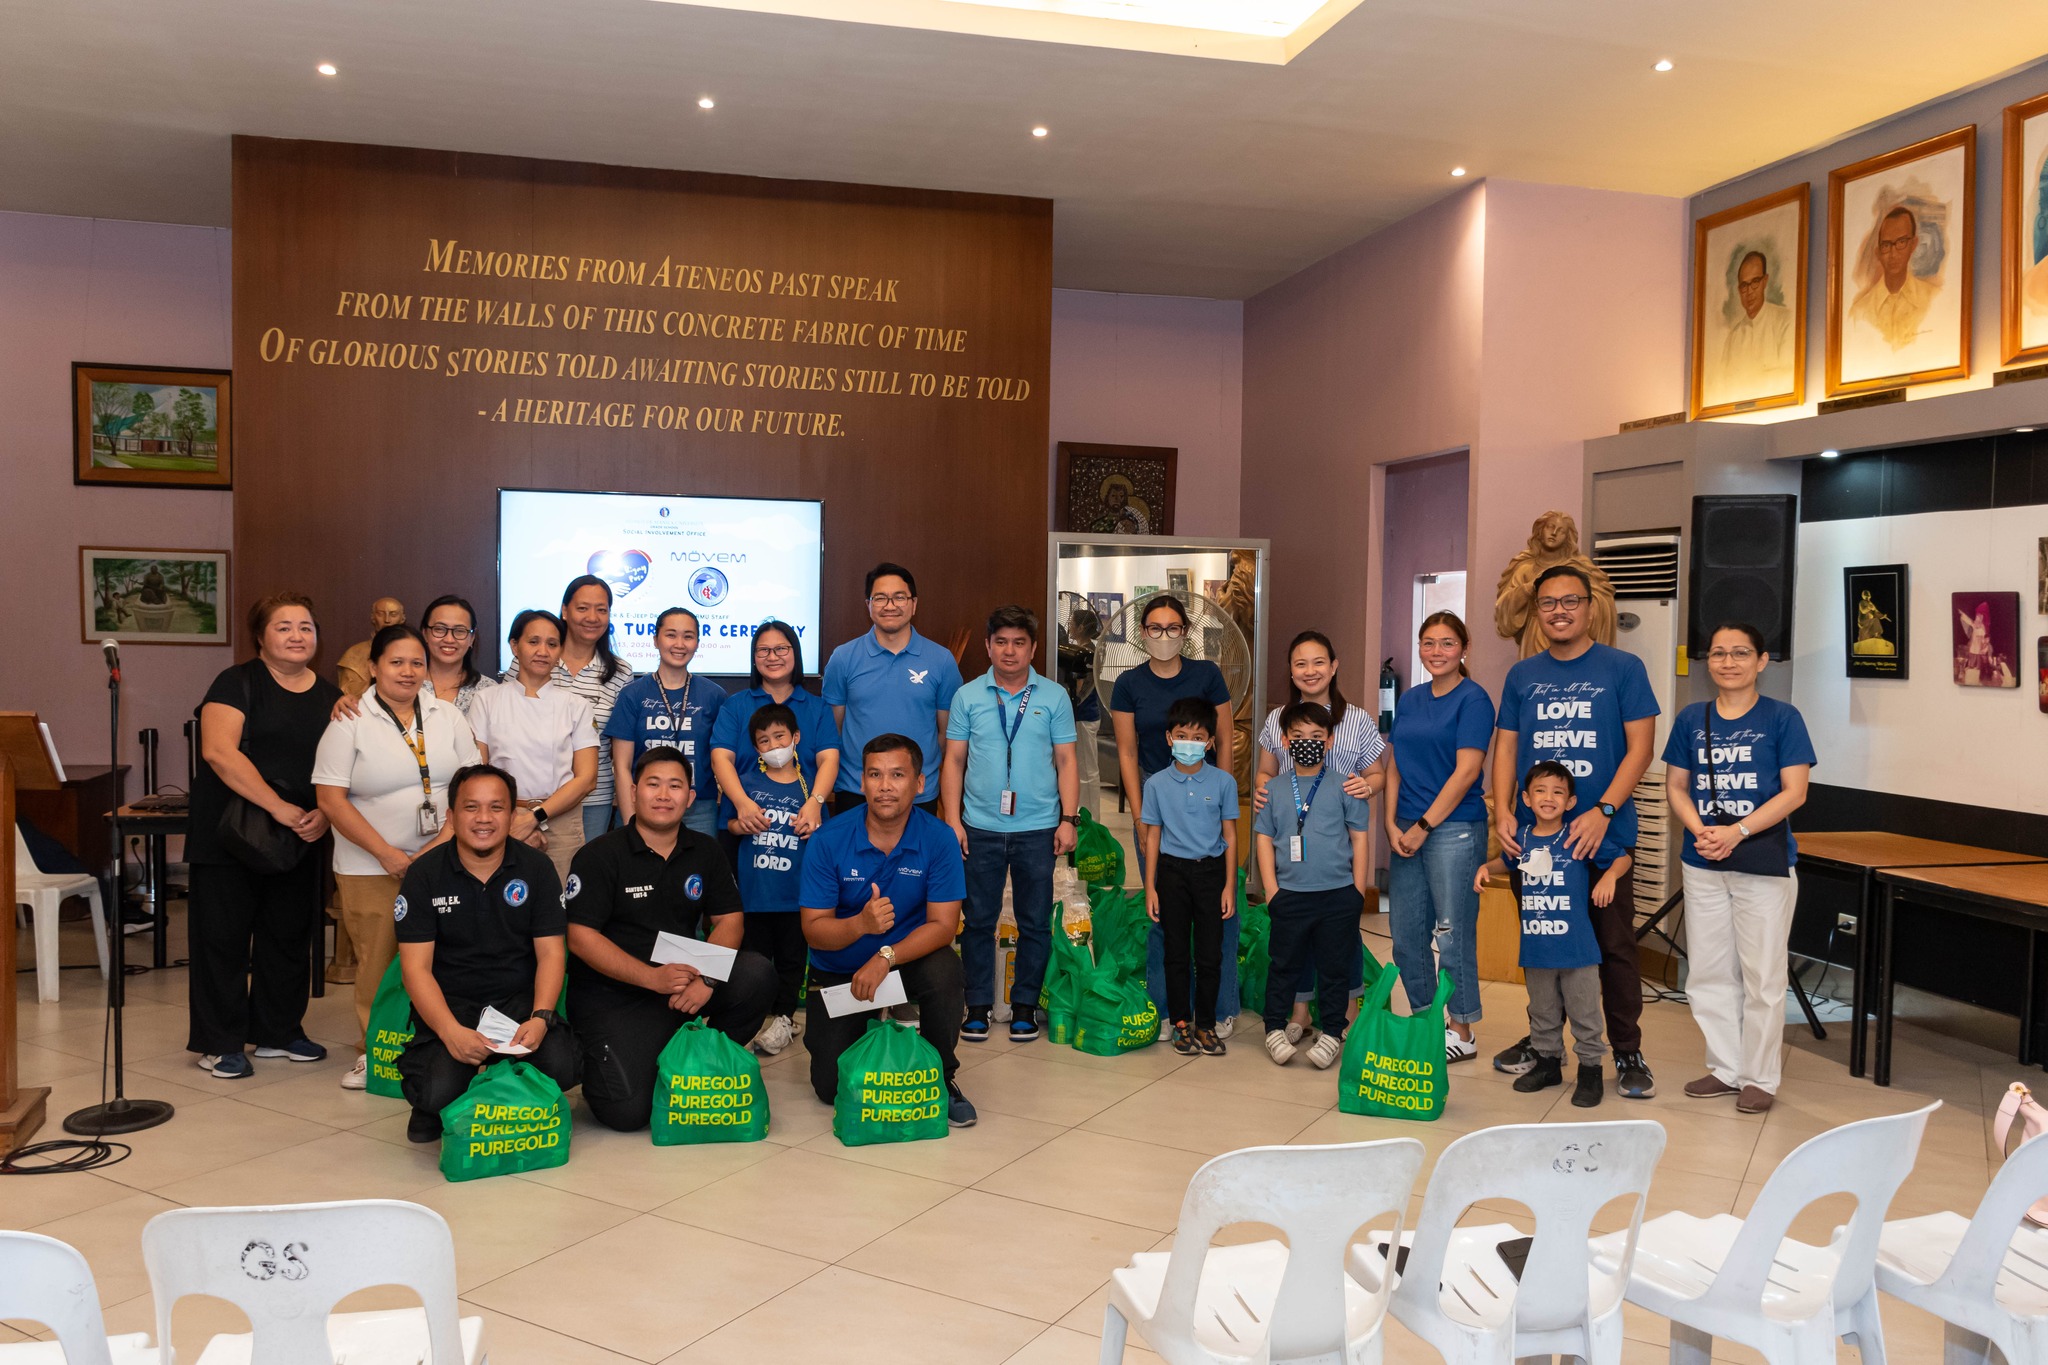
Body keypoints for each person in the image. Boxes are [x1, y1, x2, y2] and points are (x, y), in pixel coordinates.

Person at [1492, 563, 1659, 1098]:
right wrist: (1503, 812)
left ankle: (1626, 1050)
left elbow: (1641, 748)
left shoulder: (1623, 668)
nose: (1559, 611)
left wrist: (1603, 810)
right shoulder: (1522, 676)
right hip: (1537, 841)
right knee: (1545, 943)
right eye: (1548, 602)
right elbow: (1506, 747)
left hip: (1601, 839)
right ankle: (1546, 1045)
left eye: (1570, 601)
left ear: (1590, 607)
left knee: (1614, 949)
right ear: (1536, 612)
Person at [564, 745, 776, 1132]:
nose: (664, 795)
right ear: (633, 792)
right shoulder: (599, 855)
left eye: (675, 786)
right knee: (628, 1114)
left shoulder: (706, 851)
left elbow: (730, 919)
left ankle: (700, 1063)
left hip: (683, 986)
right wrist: (650, 978)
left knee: (756, 973)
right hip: (616, 996)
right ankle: (610, 1060)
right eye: (653, 784)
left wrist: (708, 978)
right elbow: (579, 937)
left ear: (690, 798)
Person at [314, 623, 481, 1091]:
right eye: (396, 662)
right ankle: (375, 1052)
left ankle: (445, 1045)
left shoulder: (446, 715)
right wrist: (387, 854)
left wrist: (440, 844)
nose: (408, 671)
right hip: (370, 865)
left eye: (416, 663)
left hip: (445, 858)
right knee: (379, 960)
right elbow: (330, 800)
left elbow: (471, 785)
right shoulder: (349, 719)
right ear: (373, 667)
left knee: (447, 956)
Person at [186, 593, 343, 1079]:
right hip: (230, 834)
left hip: (298, 836)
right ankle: (220, 1042)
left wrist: (323, 813)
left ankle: (278, 1031)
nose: (297, 636)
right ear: (260, 636)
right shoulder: (235, 682)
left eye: (306, 627)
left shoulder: (331, 696)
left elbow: (342, 765)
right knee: (222, 940)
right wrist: (278, 807)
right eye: (284, 627)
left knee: (288, 936)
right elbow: (218, 752)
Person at [1663, 622, 1816, 1114]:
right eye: (1719, 653)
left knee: (1762, 976)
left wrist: (1737, 831)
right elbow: (1676, 787)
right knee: (1708, 972)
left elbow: (1795, 792)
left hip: (1762, 862)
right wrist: (1702, 831)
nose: (1728, 662)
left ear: (1761, 660)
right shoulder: (1692, 718)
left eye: (1740, 653)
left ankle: (1760, 1077)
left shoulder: (1782, 718)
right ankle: (1725, 1068)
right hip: (1703, 861)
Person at [393, 763, 581, 1143]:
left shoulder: (537, 869)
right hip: (453, 1004)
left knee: (565, 1066)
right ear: (451, 816)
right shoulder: (424, 874)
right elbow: (415, 969)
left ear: (512, 816)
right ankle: (448, 1094)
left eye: (496, 808)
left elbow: (551, 954)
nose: (484, 818)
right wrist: (449, 1032)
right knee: (434, 1092)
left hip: (518, 1003)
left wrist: (541, 1017)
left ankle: (504, 1080)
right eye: (471, 807)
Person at [799, 734, 976, 1127]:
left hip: (902, 963)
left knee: (945, 970)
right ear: (861, 782)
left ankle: (941, 1076)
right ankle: (872, 1019)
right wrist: (860, 925)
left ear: (919, 783)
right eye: (874, 775)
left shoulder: (939, 839)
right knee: (830, 1086)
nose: (884, 786)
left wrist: (885, 957)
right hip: (842, 970)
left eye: (897, 775)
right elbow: (813, 931)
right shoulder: (828, 840)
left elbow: (944, 926)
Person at [940, 605, 1079, 1044]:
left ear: (1033, 648)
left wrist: (1069, 819)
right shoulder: (967, 696)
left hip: (1038, 827)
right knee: (978, 921)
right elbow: (954, 761)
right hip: (978, 827)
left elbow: (1066, 761)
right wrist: (951, 820)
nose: (1010, 651)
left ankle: (1024, 1007)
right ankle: (978, 1006)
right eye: (1001, 642)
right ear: (988, 646)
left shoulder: (1054, 697)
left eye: (1019, 642)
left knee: (1034, 922)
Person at [1111, 594, 1240, 1032]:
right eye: (1154, 628)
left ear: (1185, 632)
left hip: (1207, 796)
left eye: (1172, 628)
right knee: (1163, 914)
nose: (1163, 636)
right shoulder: (1128, 683)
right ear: (1142, 633)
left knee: (1219, 914)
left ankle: (1219, 1008)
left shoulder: (1207, 675)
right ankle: (1167, 1009)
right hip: (1157, 797)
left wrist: (1221, 799)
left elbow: (1225, 739)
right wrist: (1139, 817)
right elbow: (1127, 752)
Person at [1251, 630, 1387, 1039]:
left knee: (1339, 941)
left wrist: (1367, 786)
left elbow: (1378, 774)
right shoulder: (1278, 719)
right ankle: (1300, 1013)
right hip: (1293, 850)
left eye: (1318, 662)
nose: (1309, 671)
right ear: (1291, 671)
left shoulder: (1357, 719)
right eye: (1300, 664)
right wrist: (1265, 794)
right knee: (1296, 940)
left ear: (1334, 666)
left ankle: (1344, 1014)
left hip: (1337, 847)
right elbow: (1266, 771)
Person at [1474, 761, 1627, 1108]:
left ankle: (1590, 1071)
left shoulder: (1577, 836)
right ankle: (1548, 1064)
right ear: (1526, 799)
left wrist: (1609, 877)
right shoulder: (1522, 837)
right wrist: (1486, 867)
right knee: (1542, 1011)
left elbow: (1621, 859)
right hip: (1537, 949)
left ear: (1570, 802)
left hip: (1577, 950)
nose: (1548, 798)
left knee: (1585, 1014)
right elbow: (1507, 863)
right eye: (1540, 791)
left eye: (1558, 792)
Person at [1383, 612, 1494, 1064]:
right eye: (1428, 642)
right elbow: (1394, 764)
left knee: (1451, 933)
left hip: (1453, 829)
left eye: (1447, 643)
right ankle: (1428, 1021)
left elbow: (1467, 772)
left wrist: (1423, 826)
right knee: (1406, 934)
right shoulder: (1410, 699)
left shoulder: (1474, 700)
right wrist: (1390, 822)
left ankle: (1462, 1028)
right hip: (1406, 828)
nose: (1436, 651)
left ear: (1464, 648)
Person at [1252, 702, 1371, 1069]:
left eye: (1317, 736)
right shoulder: (1272, 789)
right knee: (1284, 964)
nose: (1308, 742)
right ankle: (1274, 1028)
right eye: (1299, 736)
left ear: (1330, 741)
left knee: (1335, 968)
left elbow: (1359, 838)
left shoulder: (1346, 785)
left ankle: (1333, 1032)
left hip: (1338, 895)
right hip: (1290, 895)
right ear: (1286, 742)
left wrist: (1358, 891)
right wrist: (1271, 890)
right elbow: (1263, 838)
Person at [1140, 697, 1238, 1057]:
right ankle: (1181, 1023)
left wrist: (1230, 885)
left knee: (1210, 954)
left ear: (1210, 742)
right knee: (1176, 952)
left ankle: (1206, 1025)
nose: (1189, 743)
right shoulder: (1156, 784)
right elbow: (1153, 837)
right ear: (1169, 737)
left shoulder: (1224, 782)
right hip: (1172, 873)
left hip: (1211, 873)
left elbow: (1230, 835)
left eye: (1198, 738)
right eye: (1182, 735)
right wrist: (1150, 887)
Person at [822, 563, 962, 815]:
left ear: (914, 604)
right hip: (856, 791)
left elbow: (946, 734)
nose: (890, 605)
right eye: (880, 598)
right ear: (868, 604)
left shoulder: (941, 660)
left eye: (899, 597)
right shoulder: (843, 658)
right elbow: (834, 729)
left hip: (918, 793)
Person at [470, 610, 599, 881]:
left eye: (552, 644)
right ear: (514, 646)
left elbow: (587, 779)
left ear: (560, 651)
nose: (543, 651)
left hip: (562, 819)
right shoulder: (487, 700)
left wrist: (534, 817)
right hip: (502, 818)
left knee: (559, 899)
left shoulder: (576, 706)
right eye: (533, 642)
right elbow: (478, 771)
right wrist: (513, 818)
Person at [710, 619, 841, 841]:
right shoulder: (735, 706)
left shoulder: (817, 708)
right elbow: (721, 759)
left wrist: (815, 802)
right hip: (743, 824)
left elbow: (829, 760)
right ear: (754, 658)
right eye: (763, 650)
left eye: (781, 649)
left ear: (795, 653)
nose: (772, 657)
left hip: (804, 824)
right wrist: (742, 803)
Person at [731, 704, 813, 1055]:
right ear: (756, 748)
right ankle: (751, 1019)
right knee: (755, 960)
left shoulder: (810, 788)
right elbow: (728, 825)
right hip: (755, 895)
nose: (774, 745)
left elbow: (824, 833)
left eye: (780, 737)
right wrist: (741, 824)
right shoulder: (746, 783)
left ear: (796, 737)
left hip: (796, 895)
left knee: (792, 960)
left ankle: (784, 1018)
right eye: (764, 740)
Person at [605, 606, 726, 838]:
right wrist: (631, 823)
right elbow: (621, 766)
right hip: (643, 804)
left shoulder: (714, 695)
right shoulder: (632, 694)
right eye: (671, 635)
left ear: (697, 643)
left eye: (688, 636)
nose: (679, 644)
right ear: (655, 640)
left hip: (698, 808)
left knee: (697, 863)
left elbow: (722, 759)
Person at [533, 574, 635, 839]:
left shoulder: (621, 672)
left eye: (601, 610)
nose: (592, 617)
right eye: (582, 608)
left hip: (594, 799)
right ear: (565, 611)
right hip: (533, 796)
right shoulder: (535, 659)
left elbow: (619, 747)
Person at [1849, 205, 1938, 351]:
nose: (1893, 253)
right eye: (1886, 245)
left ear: (1913, 244)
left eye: (1901, 242)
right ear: (1878, 253)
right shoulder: (1860, 311)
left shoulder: (1933, 298)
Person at [1717, 249, 1795, 393]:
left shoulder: (1785, 321)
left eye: (1755, 282)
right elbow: (1723, 385)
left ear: (1765, 281)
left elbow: (1787, 378)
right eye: (1744, 285)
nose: (1749, 291)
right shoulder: (1733, 337)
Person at [419, 594, 498, 716]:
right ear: (425, 634)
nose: (449, 639)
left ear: (472, 638)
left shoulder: (489, 690)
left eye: (460, 631)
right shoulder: (406, 683)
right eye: (439, 629)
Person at [1057, 606, 1104, 800]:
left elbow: (1085, 688)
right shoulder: (1076, 650)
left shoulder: (1090, 653)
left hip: (1085, 716)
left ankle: (1091, 814)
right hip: (1076, 716)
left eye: (1072, 623)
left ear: (1082, 627)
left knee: (1087, 770)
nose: (1069, 627)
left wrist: (1071, 701)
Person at [335, 596, 407, 698]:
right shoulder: (354, 654)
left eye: (393, 614)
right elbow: (348, 694)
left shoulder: (414, 653)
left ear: (402, 619)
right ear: (373, 617)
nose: (387, 620)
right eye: (381, 614)